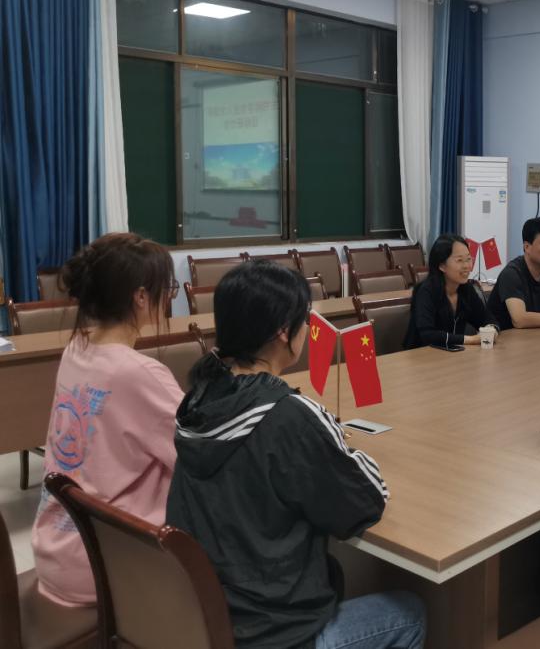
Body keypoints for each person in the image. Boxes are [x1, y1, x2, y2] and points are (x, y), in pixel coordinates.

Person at [167, 261, 425, 649]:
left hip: (207, 616)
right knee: (410, 613)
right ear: (284, 332)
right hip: (271, 632)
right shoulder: (288, 415)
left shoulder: (198, 400)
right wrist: (341, 446)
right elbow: (365, 502)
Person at [32, 233, 182, 606]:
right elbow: (198, 455)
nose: (169, 298)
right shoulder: (139, 373)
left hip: (55, 549)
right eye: (168, 289)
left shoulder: (76, 348)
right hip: (105, 563)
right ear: (141, 297)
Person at [403, 234, 500, 349]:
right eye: (459, 260)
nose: (467, 266)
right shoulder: (426, 292)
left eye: (468, 259)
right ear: (442, 266)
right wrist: (470, 339)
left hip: (453, 354)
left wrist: (492, 329)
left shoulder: (466, 289)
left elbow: (486, 318)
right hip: (421, 355)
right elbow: (428, 335)